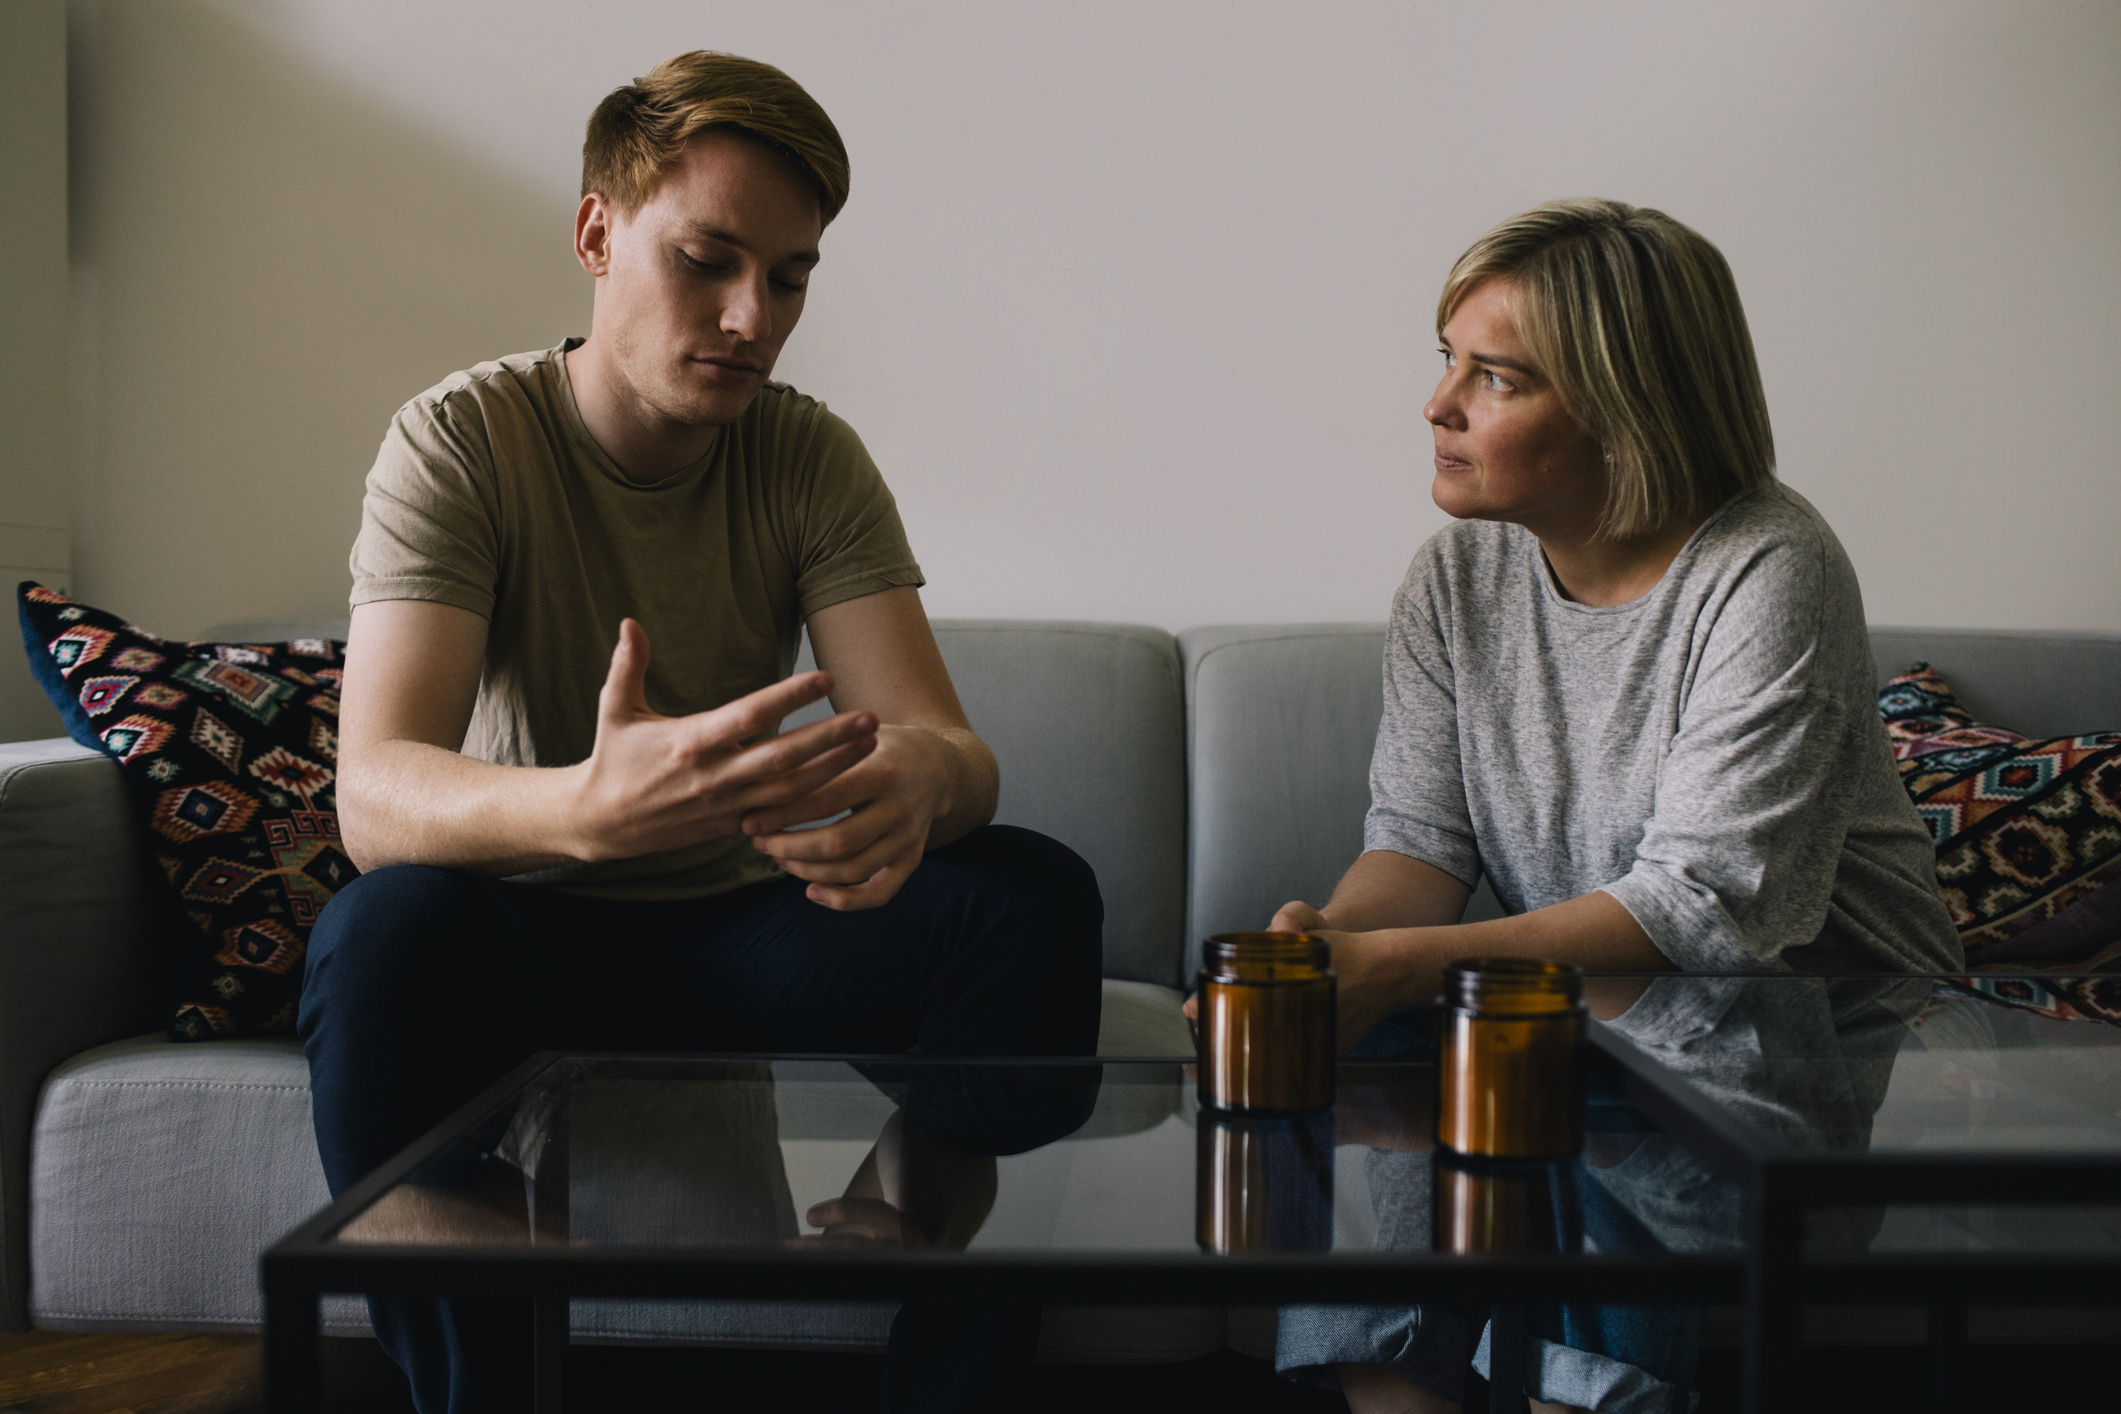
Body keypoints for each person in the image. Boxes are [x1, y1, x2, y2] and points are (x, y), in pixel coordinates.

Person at [299, 50, 1104, 1414]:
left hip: (748, 929)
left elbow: (954, 752)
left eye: (788, 278)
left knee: (1030, 899)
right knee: (379, 938)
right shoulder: (458, 438)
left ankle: (920, 1315)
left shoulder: (805, 454)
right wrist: (584, 810)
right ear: (597, 233)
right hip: (528, 922)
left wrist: (916, 777)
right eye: (708, 260)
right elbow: (374, 797)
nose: (752, 315)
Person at [1205, 199, 1963, 1412]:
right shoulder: (1455, 576)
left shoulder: (1771, 566)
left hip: (1814, 1029)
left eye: (1493, 375)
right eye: (1445, 359)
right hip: (1604, 1000)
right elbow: (1419, 841)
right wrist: (1342, 950)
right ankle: (1399, 1396)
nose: (1438, 404)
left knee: (1593, 1070)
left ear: (1629, 408)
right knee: (1344, 1047)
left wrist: (1400, 965)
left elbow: (1709, 911)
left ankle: (1584, 1400)